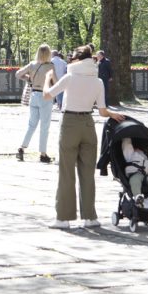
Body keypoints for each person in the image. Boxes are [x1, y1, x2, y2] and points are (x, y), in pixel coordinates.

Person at [44, 45, 125, 229]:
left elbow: (48, 96)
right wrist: (114, 115)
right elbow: (103, 111)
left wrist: (48, 78)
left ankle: (63, 219)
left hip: (70, 123)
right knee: (87, 174)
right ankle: (90, 217)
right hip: (88, 124)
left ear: (77, 60)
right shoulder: (97, 81)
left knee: (66, 172)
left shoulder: (70, 77)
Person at [15, 44, 55, 164]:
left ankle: (22, 148)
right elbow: (55, 82)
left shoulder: (32, 64)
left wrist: (29, 78)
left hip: (34, 95)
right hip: (45, 96)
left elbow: (18, 74)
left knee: (31, 124)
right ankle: (43, 153)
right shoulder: (50, 66)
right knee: (45, 125)